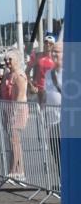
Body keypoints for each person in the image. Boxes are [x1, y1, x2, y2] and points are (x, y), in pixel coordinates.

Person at [2, 51, 29, 180]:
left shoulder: (19, 75)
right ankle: (18, 170)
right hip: (8, 109)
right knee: (13, 141)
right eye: (5, 60)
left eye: (10, 59)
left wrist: (13, 114)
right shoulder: (7, 74)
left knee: (15, 141)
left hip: (18, 111)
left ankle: (15, 170)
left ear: (17, 60)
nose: (7, 62)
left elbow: (20, 97)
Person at [43, 41, 62, 181]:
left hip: (68, 122)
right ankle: (63, 181)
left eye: (58, 51)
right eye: (53, 51)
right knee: (56, 153)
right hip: (52, 121)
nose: (54, 53)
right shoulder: (49, 73)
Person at [27, 34, 57, 104]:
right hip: (38, 90)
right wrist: (30, 85)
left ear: (54, 45)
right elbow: (26, 72)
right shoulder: (37, 56)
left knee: (51, 112)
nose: (48, 44)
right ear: (43, 43)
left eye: (51, 43)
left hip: (52, 90)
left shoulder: (56, 58)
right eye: (46, 42)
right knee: (40, 112)